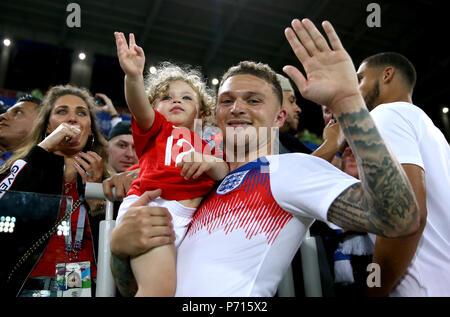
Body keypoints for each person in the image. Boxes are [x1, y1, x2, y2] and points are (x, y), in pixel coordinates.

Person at [109, 18, 420, 297]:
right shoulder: (199, 186)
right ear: (214, 115)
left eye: (253, 100)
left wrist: (348, 101)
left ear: (279, 117)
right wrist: (121, 250)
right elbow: (135, 289)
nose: (236, 108)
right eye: (226, 100)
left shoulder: (289, 169)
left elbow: (398, 219)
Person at [114, 32, 229, 296]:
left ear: (201, 112)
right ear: (153, 108)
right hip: (151, 210)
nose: (176, 100)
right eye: (166, 97)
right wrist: (133, 77)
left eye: (187, 97)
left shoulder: (210, 150)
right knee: (159, 289)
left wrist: (210, 162)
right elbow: (138, 106)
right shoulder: (156, 130)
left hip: (190, 224)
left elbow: (224, 171)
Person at [0, 85, 110, 297]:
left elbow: (114, 247)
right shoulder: (24, 166)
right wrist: (44, 148)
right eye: (62, 111)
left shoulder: (107, 180)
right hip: (26, 286)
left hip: (84, 288)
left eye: (81, 113)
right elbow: (5, 200)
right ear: (48, 127)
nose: (72, 119)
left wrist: (97, 197)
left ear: (90, 130)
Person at [356, 52, 450, 296]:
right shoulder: (432, 129)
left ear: (387, 74)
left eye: (361, 78)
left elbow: (408, 215)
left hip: (422, 286)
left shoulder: (384, 115)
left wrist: (375, 289)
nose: (357, 88)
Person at [0, 94, 42, 166]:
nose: (2, 116)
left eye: (18, 112)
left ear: (39, 125)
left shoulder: (38, 172)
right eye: (6, 112)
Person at [276, 74, 311, 155]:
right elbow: (312, 165)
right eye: (291, 101)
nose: (298, 109)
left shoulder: (287, 141)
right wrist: (333, 142)